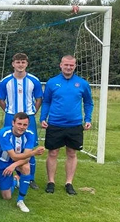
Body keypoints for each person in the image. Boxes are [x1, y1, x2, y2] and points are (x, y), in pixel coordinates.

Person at [40, 55, 94, 196]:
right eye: (66, 65)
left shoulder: (82, 83)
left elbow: (88, 102)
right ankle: (51, 182)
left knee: (71, 153)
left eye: (71, 65)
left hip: (75, 124)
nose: (68, 67)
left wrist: (87, 119)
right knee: (53, 153)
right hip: (55, 123)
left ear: (75, 66)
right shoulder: (52, 82)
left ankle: (69, 183)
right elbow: (46, 102)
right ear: (61, 65)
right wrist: (42, 117)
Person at [0, 53, 43, 189]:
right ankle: (2, 176)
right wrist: (8, 111)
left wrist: (33, 111)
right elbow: (1, 99)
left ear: (27, 64)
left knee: (30, 146)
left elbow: (39, 98)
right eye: (18, 62)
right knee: (5, 147)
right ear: (13, 64)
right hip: (11, 116)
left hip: (29, 117)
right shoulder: (6, 81)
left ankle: (29, 178)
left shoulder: (34, 80)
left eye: (23, 62)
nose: (20, 65)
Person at [0, 112, 45, 213]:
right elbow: (13, 156)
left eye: (25, 125)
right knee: (6, 196)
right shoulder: (4, 133)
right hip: (4, 162)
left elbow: (27, 158)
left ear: (28, 125)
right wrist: (34, 152)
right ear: (13, 123)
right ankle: (15, 181)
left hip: (19, 162)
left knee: (26, 168)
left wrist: (14, 165)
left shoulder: (30, 134)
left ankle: (20, 200)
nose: (22, 127)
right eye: (19, 124)